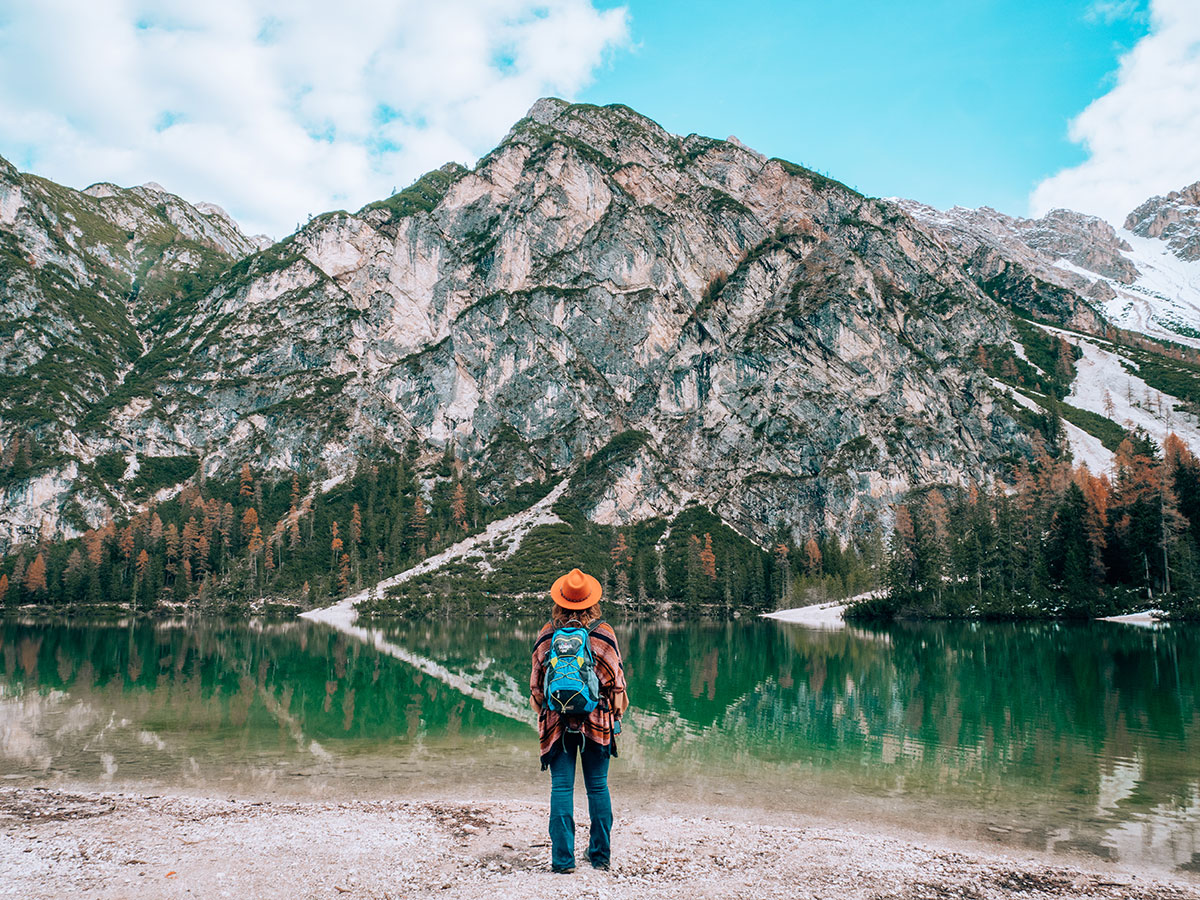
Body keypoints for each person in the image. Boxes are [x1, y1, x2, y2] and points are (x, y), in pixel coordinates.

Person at [529, 567, 628, 874]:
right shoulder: (603, 634)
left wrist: (545, 711)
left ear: (560, 601)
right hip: (596, 720)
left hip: (557, 721)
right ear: (592, 602)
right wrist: (616, 715)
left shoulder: (547, 634)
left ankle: (563, 861)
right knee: (597, 788)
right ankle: (600, 856)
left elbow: (536, 686)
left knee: (561, 790)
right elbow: (617, 684)